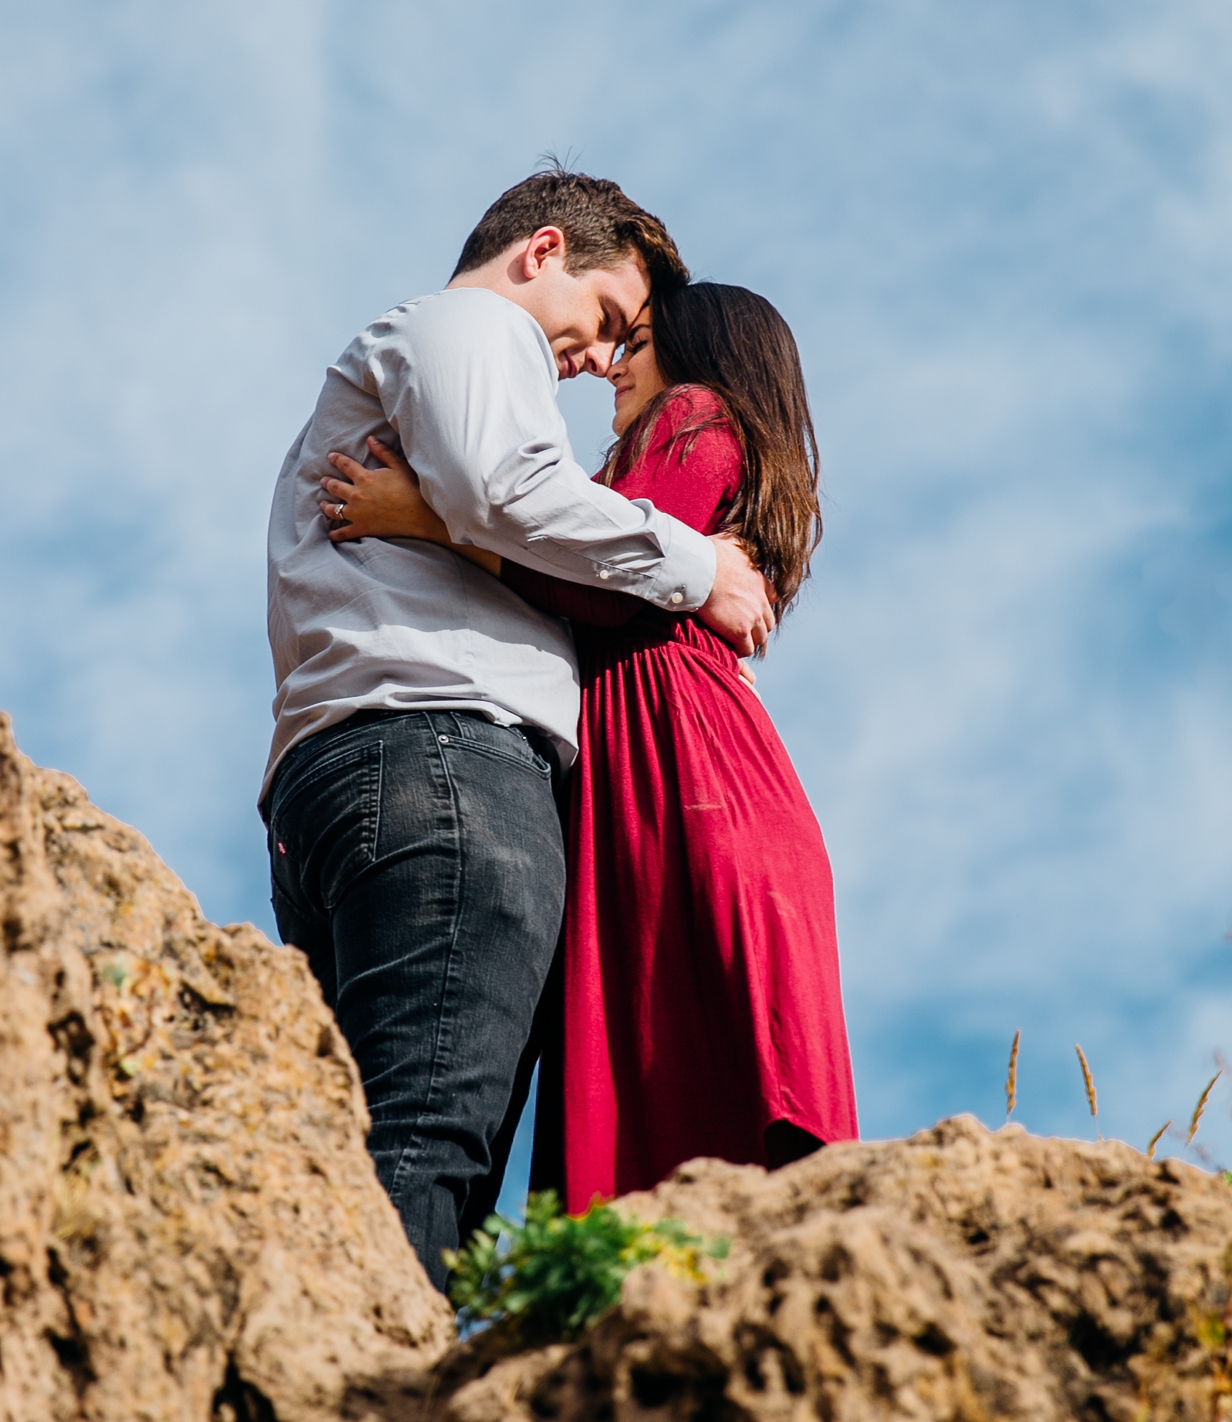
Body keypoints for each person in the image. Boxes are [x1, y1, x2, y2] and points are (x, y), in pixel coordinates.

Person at [261, 172, 773, 1285]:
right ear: (543, 251)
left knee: (364, 1144)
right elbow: (514, 489)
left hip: (356, 773)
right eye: (604, 322)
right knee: (434, 1138)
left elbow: (491, 511)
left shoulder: (426, 363)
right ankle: (374, 1410)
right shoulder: (472, 326)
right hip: (445, 762)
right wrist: (700, 570)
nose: (598, 359)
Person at [319, 278, 858, 1211]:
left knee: (667, 1043)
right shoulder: (695, 446)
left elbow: (605, 581)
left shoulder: (693, 414)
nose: (611, 363)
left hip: (680, 764)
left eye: (635, 339)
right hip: (683, 762)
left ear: (695, 350)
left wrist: (422, 518)